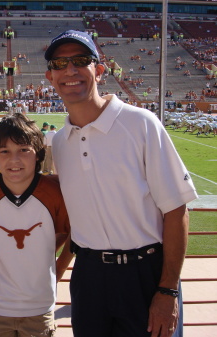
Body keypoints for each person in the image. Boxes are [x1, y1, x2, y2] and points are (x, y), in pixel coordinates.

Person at [44, 30, 198, 337]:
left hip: (145, 272)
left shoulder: (140, 124)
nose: (70, 70)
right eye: (60, 63)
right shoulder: (60, 143)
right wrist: (56, 268)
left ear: (99, 71)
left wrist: (167, 290)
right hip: (89, 276)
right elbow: (76, 218)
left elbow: (176, 209)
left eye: (80, 61)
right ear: (50, 76)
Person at [0, 113, 72, 337]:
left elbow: (73, 230)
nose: (14, 160)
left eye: (23, 150)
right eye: (5, 151)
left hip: (39, 307)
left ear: (38, 154)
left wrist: (59, 268)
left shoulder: (55, 194)